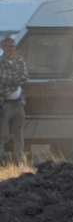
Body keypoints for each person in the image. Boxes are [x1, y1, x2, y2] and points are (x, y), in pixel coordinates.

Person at [0, 36, 28, 164]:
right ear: (2, 48)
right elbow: (3, 80)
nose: (10, 49)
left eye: (12, 46)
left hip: (18, 103)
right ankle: (1, 162)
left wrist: (11, 80)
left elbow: (25, 77)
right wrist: (15, 80)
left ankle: (18, 161)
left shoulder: (20, 60)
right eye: (7, 46)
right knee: (2, 135)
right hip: (4, 103)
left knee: (19, 135)